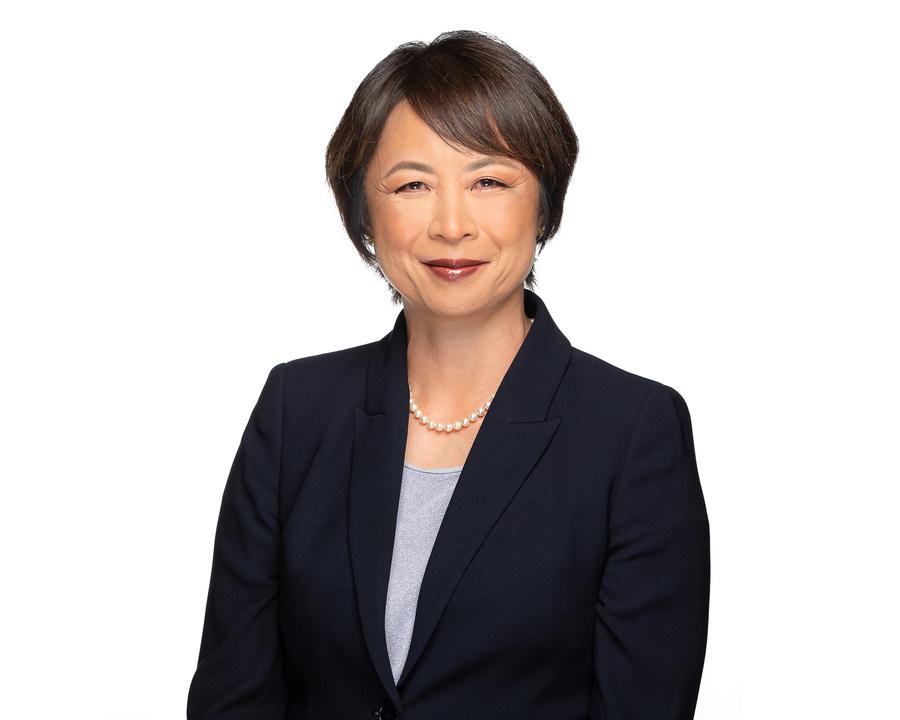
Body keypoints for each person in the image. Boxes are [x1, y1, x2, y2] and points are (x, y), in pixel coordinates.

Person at [186, 30, 710, 720]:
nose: (452, 224)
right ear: (363, 210)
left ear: (543, 203)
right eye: (413, 185)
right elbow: (232, 698)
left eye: (489, 181)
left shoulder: (633, 432)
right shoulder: (297, 411)